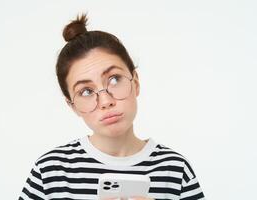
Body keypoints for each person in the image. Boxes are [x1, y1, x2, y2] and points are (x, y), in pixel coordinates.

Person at [18, 14, 205, 200]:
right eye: (86, 91)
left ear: (136, 82)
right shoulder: (49, 173)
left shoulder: (175, 170)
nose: (106, 101)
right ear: (72, 106)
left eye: (114, 79)